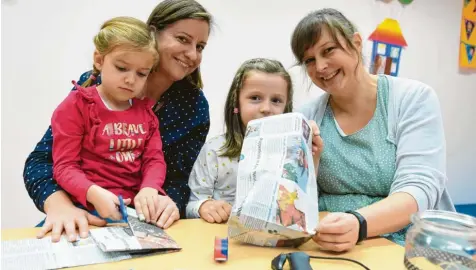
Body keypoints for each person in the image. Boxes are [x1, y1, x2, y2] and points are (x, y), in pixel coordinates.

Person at [23, 0, 213, 242]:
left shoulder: (193, 106)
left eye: (201, 46)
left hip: (138, 220)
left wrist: (167, 202)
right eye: (183, 39)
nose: (192, 54)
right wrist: (60, 206)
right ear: (152, 33)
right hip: (80, 212)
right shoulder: (93, 87)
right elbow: (42, 161)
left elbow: (178, 179)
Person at [291, 8, 455, 251]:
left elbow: (419, 189)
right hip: (332, 242)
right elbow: (296, 198)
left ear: (356, 43)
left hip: (410, 243)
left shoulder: (413, 99)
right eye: (310, 60)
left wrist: (358, 223)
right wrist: (310, 163)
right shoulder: (308, 117)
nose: (321, 66)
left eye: (328, 50)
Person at [51, 16, 166, 223]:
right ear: (99, 60)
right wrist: (93, 193)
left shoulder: (147, 115)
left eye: (141, 73)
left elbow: (154, 160)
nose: (131, 79)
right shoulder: (76, 106)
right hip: (85, 208)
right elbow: (64, 166)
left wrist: (150, 188)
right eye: (122, 68)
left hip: (131, 213)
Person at [185, 58, 323, 223]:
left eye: (276, 101)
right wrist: (203, 206)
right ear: (236, 102)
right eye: (255, 98)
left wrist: (311, 155)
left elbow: (303, 201)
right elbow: (191, 205)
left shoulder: (291, 153)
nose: (266, 108)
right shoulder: (215, 150)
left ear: (286, 108)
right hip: (223, 238)